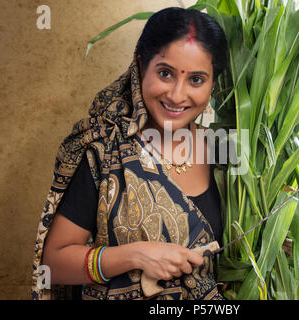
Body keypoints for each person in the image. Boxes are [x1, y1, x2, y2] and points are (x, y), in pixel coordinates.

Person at [32, 7, 229, 300]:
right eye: (165, 73)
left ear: (214, 84)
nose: (177, 95)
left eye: (196, 80)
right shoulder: (104, 152)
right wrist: (136, 255)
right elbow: (53, 263)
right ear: (140, 67)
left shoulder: (225, 148)